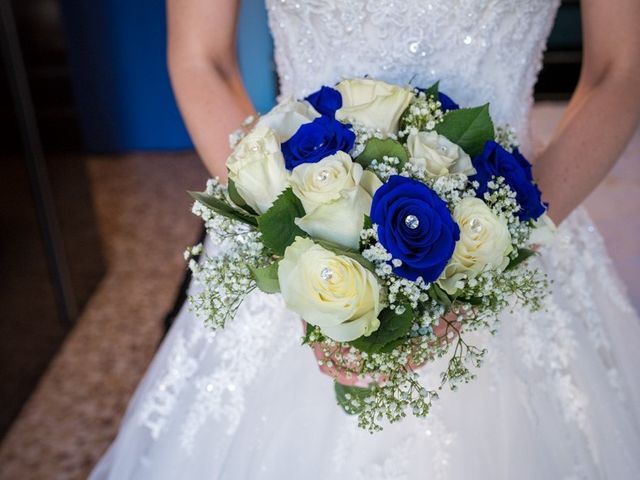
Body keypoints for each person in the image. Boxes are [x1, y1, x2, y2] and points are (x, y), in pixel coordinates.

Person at [91, 0, 640, 478]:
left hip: (511, 223)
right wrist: (288, 237)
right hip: (301, 218)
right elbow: (200, 59)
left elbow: (620, 68)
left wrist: (494, 245)